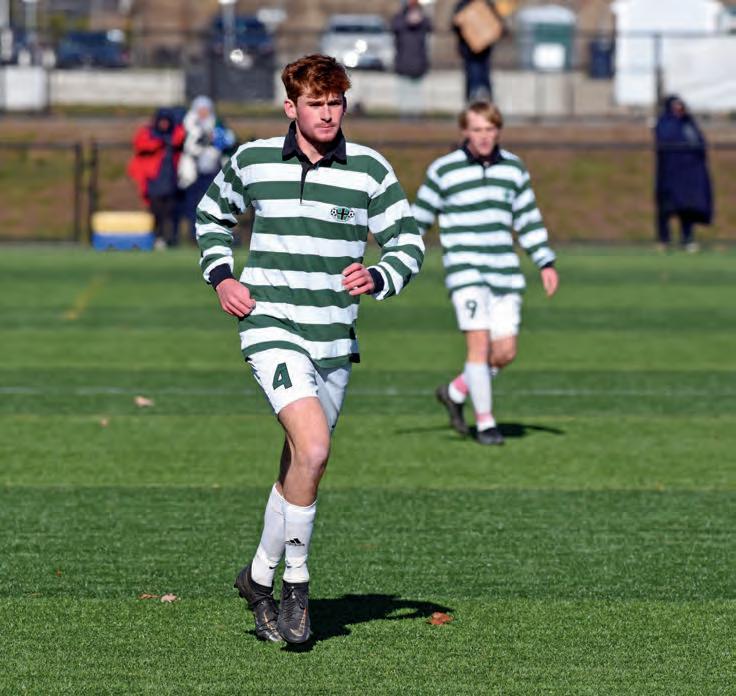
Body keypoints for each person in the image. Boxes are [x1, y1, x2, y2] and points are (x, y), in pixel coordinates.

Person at [195, 54, 424, 643]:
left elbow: (408, 242)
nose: (327, 113)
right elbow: (212, 216)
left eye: (335, 102)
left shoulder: (369, 169)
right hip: (270, 325)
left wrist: (380, 275)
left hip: (333, 337)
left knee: (301, 462)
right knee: (316, 447)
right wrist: (222, 277)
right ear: (290, 107)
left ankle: (257, 577)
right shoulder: (253, 160)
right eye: (315, 103)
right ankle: (295, 585)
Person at [412, 101, 558, 446]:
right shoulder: (444, 170)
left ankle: (455, 391)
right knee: (478, 345)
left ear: (499, 131)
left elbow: (528, 219)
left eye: (490, 129)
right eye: (477, 129)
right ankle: (485, 423)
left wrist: (545, 261)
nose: (484, 136)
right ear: (465, 131)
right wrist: (397, 254)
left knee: (505, 352)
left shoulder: (514, 169)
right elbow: (418, 219)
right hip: (466, 271)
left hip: (505, 272)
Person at [655, 94, 713, 253]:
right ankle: (664, 240)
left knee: (687, 209)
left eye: (681, 106)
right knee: (666, 209)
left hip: (689, 177)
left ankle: (687, 239)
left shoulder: (689, 124)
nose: (679, 109)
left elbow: (700, 144)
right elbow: (665, 141)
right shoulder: (665, 123)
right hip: (669, 175)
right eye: (675, 106)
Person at [178, 95, 236, 242]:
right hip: (194, 173)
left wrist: (215, 139)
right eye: (200, 109)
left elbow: (229, 140)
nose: (203, 112)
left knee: (215, 205)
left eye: (205, 109)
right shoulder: (188, 124)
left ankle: (215, 234)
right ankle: (194, 235)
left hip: (213, 172)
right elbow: (187, 146)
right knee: (193, 205)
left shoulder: (217, 124)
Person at [127, 107, 185, 248]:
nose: (164, 125)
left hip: (171, 180)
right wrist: (159, 143)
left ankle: (170, 238)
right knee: (156, 211)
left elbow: (180, 137)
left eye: (167, 121)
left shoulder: (174, 134)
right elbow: (141, 144)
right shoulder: (148, 133)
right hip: (153, 180)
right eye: (162, 121)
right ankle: (156, 237)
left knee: (170, 211)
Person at [452, 0, 505, 102]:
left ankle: (485, 96)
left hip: (485, 48)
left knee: (484, 73)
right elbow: (455, 24)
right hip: (469, 49)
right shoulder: (462, 5)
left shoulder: (485, 4)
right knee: (472, 73)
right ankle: (473, 97)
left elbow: (496, 23)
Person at [391, 0, 433, 116]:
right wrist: (407, 21)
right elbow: (394, 27)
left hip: (419, 63)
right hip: (403, 63)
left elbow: (430, 26)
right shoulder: (399, 19)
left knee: (417, 93)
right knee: (404, 92)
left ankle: (416, 114)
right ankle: (404, 114)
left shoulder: (424, 19)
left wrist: (420, 19)